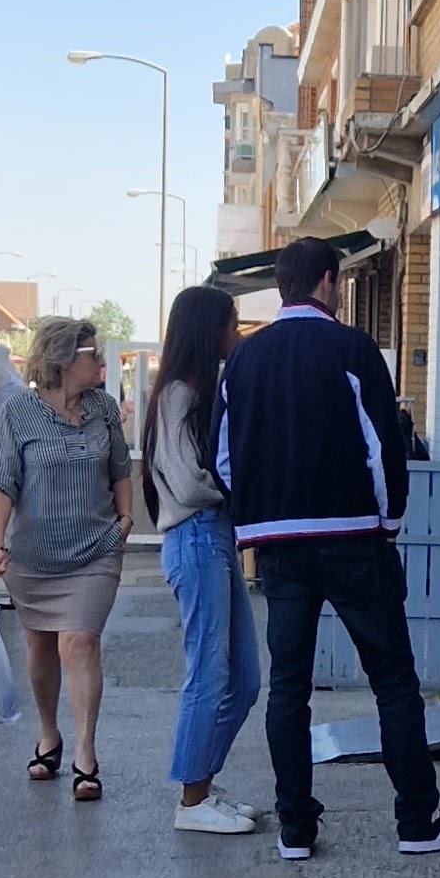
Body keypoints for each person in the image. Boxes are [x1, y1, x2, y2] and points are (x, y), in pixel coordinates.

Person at [218, 236, 440, 863]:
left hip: (279, 546)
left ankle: (295, 829)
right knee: (392, 679)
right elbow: (383, 449)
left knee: (289, 686)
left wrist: (256, 519)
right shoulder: (353, 349)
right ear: (329, 281)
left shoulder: (243, 359)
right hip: (354, 537)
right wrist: (388, 523)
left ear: (282, 285)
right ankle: (417, 820)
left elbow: (223, 458)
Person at [0, 314, 134, 804]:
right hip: (34, 556)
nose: (101, 360)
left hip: (96, 550)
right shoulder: (19, 412)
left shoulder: (103, 408)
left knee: (80, 640)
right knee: (40, 644)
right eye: (92, 352)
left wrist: (125, 520)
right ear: (65, 358)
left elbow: (120, 469)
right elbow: (2, 481)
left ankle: (86, 752)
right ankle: (49, 733)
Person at [141, 282, 260, 835]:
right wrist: (239, 494)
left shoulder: (197, 392)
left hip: (213, 537)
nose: (236, 334)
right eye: (231, 324)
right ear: (207, 330)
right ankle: (192, 800)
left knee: (245, 678)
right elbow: (189, 485)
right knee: (209, 672)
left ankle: (202, 784)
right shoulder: (177, 396)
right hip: (195, 537)